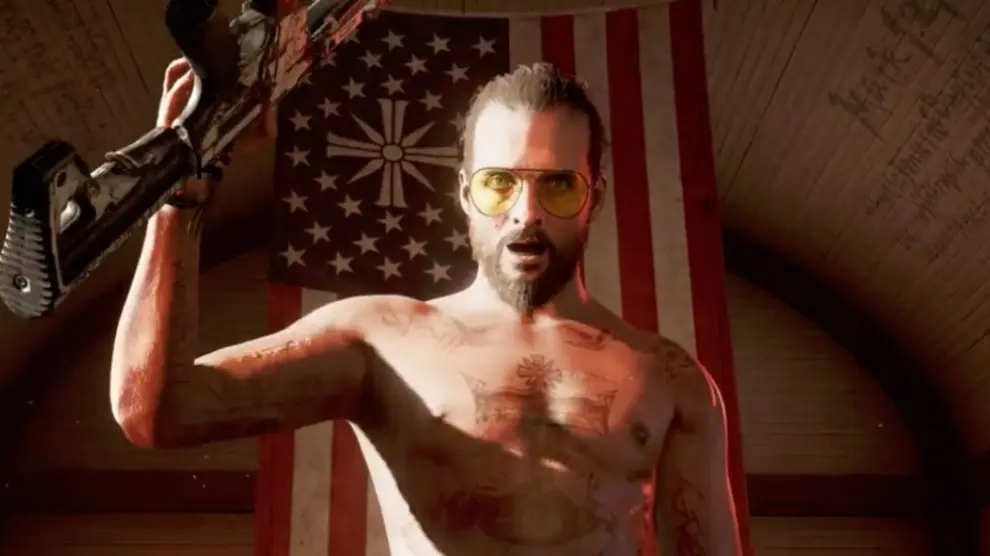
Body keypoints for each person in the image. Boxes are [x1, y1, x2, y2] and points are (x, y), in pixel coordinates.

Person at [111, 57, 744, 556]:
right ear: (465, 195)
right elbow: (159, 411)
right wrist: (182, 188)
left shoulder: (672, 381)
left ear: (593, 198)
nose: (525, 213)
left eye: (557, 185)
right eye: (500, 184)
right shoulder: (381, 342)